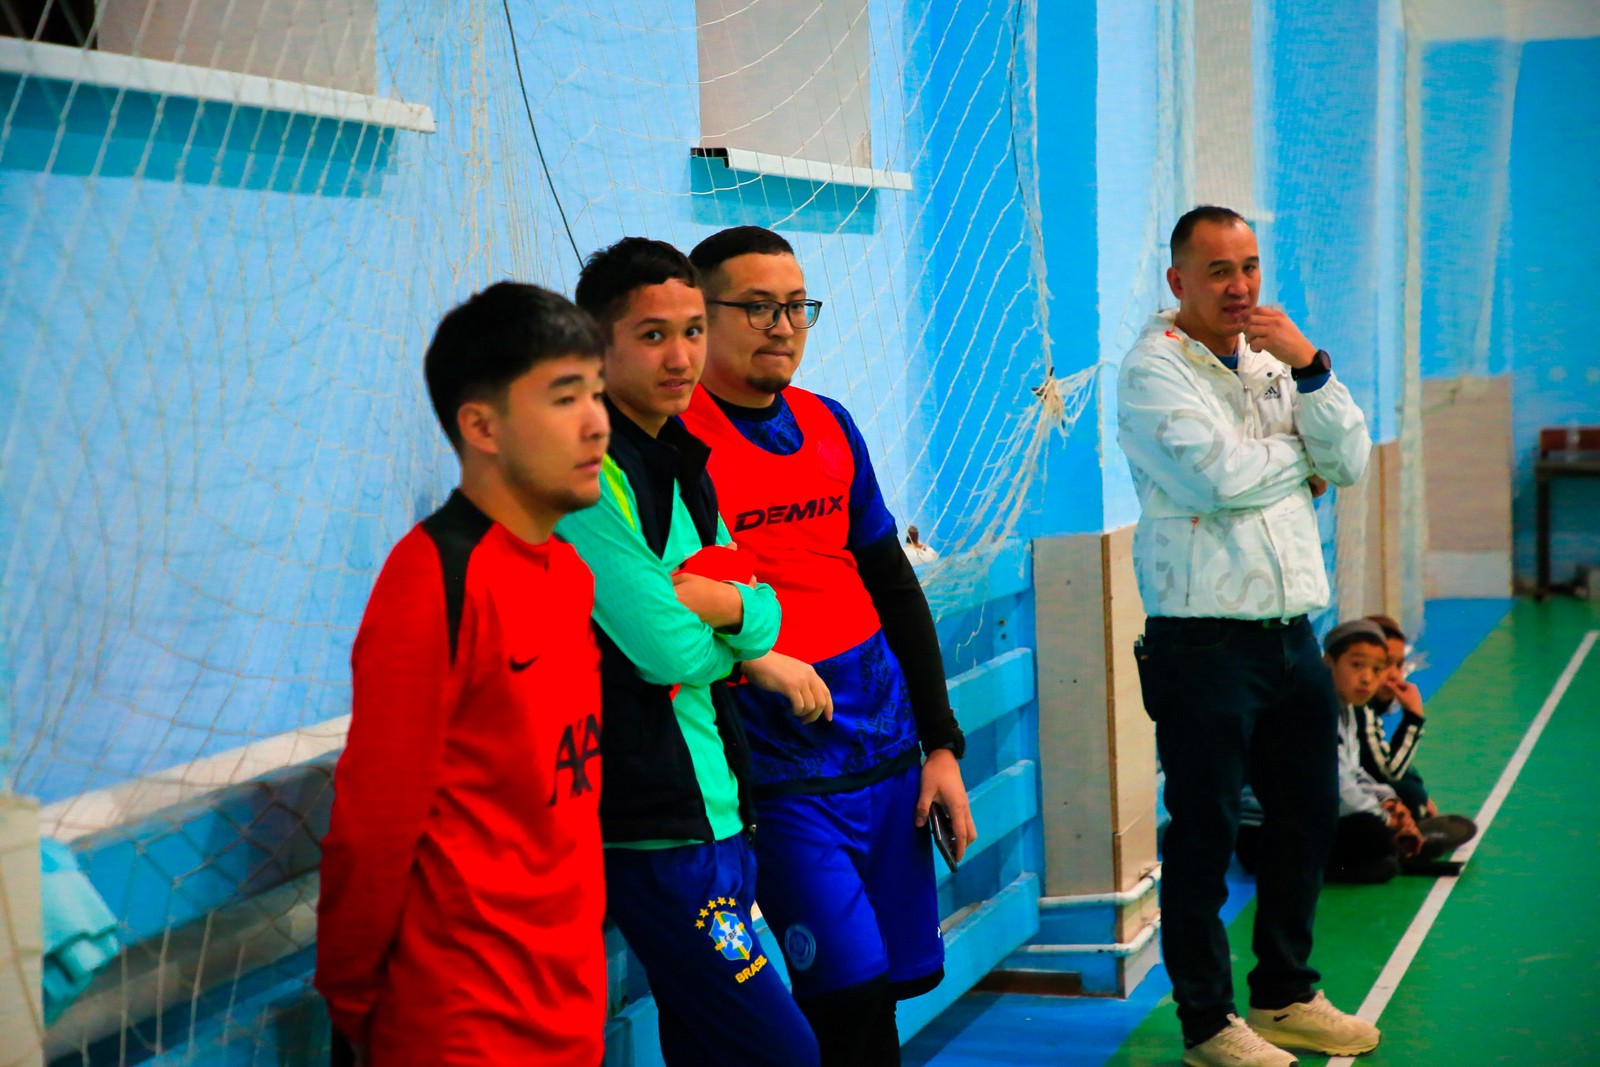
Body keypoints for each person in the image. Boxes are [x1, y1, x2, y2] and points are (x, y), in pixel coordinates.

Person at [680, 225, 976, 1065]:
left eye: (795, 306)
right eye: (757, 307)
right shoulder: (676, 444)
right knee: (846, 994)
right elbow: (665, 605)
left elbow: (893, 585)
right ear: (701, 315)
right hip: (779, 772)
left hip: (886, 757)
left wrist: (940, 746)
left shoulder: (828, 423)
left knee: (888, 985)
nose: (782, 325)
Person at [316, 283, 611, 1067]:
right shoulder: (432, 581)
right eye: (564, 397)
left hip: (571, 1007)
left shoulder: (570, 572)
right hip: (460, 1024)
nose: (597, 422)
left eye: (596, 392)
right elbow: (372, 829)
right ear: (481, 425)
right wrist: (353, 998)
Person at [1119, 205, 1378, 1067]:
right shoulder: (1152, 370)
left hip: (1291, 633)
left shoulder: (1274, 361)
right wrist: (1298, 463)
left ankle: (1285, 992)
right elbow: (1218, 478)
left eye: (1250, 266)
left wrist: (1312, 368)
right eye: (1220, 270)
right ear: (1178, 280)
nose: (1240, 287)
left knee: (1307, 818)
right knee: (1205, 832)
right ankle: (1206, 1023)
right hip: (1202, 644)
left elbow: (1348, 460)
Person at [559, 237, 823, 1067]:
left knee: (708, 1047)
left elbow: (760, 607)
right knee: (785, 1051)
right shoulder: (588, 471)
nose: (681, 357)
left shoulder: (681, 458)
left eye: (693, 330)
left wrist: (727, 606)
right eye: (652, 335)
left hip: (720, 809)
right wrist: (736, 641)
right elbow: (668, 650)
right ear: (595, 344)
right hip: (656, 829)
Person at [1238, 620, 1423, 885]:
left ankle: (1380, 854)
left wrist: (1389, 803)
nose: (1367, 678)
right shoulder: (1314, 711)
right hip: (1261, 833)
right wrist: (1386, 819)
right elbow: (1339, 789)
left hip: (1302, 824)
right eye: (1356, 665)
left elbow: (1354, 771)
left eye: (1376, 669)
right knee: (1373, 834)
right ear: (1328, 663)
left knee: (1391, 815)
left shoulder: (1345, 708)